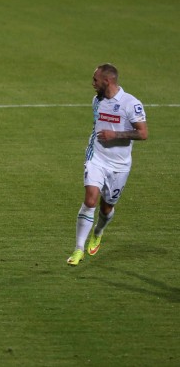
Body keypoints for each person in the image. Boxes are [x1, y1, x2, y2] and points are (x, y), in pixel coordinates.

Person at [66, 64, 148, 266]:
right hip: (97, 158)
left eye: (95, 80)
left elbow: (143, 133)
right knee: (91, 199)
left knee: (106, 207)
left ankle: (98, 231)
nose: (92, 84)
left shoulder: (131, 103)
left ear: (107, 81)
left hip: (119, 165)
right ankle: (78, 249)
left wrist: (116, 135)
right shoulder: (97, 101)